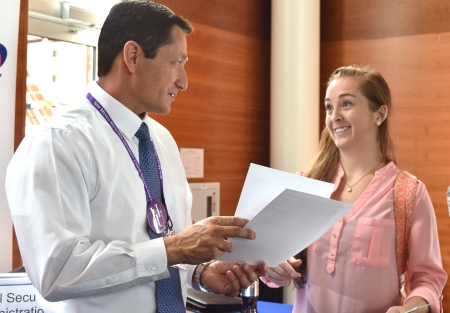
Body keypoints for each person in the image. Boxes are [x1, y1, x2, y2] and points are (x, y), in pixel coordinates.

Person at [5, 2, 267, 313]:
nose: (184, 81)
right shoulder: (57, 143)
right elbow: (57, 271)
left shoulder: (161, 139)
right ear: (133, 57)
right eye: (176, 63)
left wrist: (199, 272)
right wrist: (173, 249)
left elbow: (164, 239)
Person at [260, 65, 447, 313]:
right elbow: (271, 267)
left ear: (379, 114)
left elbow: (429, 280)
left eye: (346, 104)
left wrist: (411, 309)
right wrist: (272, 268)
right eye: (329, 107)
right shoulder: (306, 184)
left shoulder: (409, 193)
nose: (334, 115)